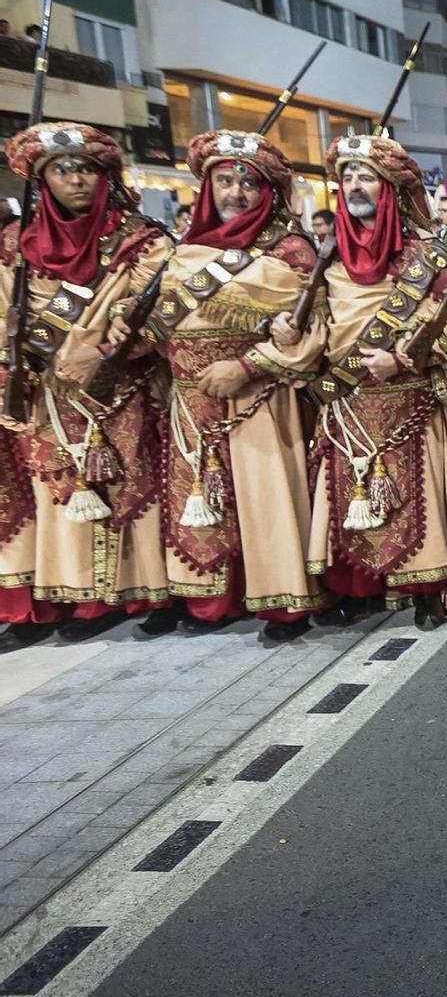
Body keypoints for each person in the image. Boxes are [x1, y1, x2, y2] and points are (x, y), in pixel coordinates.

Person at [89, 130, 329, 641]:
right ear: (207, 188)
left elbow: (312, 336)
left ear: (266, 191)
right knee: (199, 500)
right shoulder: (179, 256)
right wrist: (120, 330)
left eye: (248, 183)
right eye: (224, 181)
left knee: (265, 498)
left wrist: (247, 367)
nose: (235, 194)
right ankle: (209, 603)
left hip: (261, 399)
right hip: (189, 405)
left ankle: (281, 601)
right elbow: (151, 334)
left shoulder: (292, 252)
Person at [0, 124, 174, 643]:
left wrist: (116, 335)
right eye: (61, 169)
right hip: (46, 393)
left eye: (86, 169)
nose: (75, 179)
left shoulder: (142, 240)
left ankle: (142, 593)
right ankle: (72, 596)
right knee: (56, 497)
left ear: (106, 176)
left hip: (120, 388)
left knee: (135, 492)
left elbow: (157, 312)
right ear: (42, 180)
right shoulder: (15, 246)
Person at [303, 134, 447, 631]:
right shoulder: (326, 255)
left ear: (389, 188)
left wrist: (402, 358)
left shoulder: (426, 255)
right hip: (348, 398)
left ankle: (425, 589)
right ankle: (359, 589)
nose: (355, 185)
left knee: (415, 494)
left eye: (366, 177)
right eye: (348, 177)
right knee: (347, 494)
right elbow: (318, 327)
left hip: (409, 395)